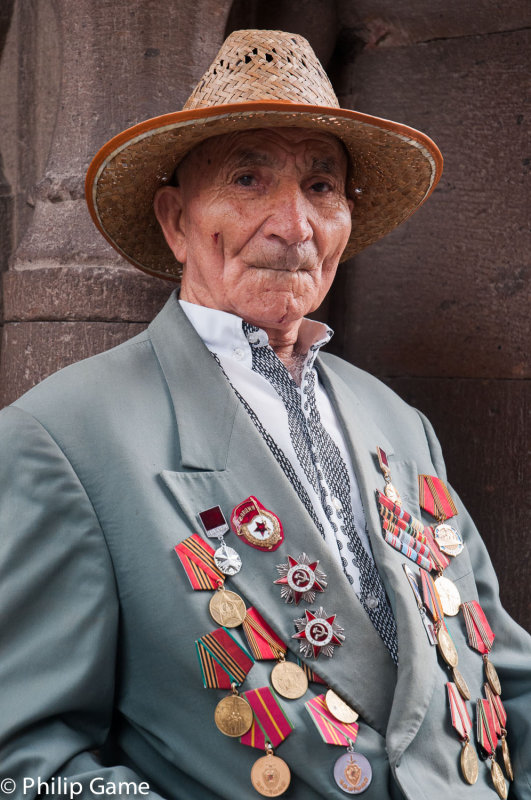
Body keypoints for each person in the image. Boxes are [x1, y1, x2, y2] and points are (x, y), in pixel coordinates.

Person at [0, 28, 529, 800]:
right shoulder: (63, 437)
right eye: (249, 179)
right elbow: (24, 765)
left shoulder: (397, 421)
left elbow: (498, 673)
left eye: (321, 188)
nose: (294, 225)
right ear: (175, 220)